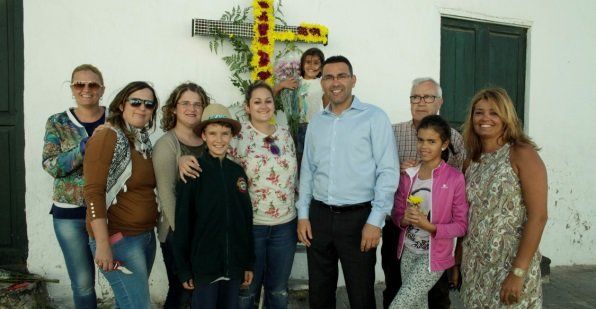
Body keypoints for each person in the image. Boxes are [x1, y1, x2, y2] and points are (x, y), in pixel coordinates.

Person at [296, 55, 399, 308]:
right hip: (319, 218)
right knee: (319, 294)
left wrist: (375, 221)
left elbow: (388, 171)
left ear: (353, 80)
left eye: (342, 76)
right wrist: (303, 215)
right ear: (322, 83)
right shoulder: (317, 122)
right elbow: (307, 170)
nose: (335, 82)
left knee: (361, 293)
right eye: (328, 77)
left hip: (359, 219)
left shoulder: (375, 118)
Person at [382, 77, 465, 308]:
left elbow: (453, 185)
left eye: (428, 97)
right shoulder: (393, 132)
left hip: (436, 240)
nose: (421, 102)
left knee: (435, 295)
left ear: (439, 101)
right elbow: (378, 171)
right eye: (415, 97)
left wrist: (433, 226)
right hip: (399, 231)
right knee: (395, 286)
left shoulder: (455, 138)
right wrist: (394, 171)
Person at [460, 88, 547, 307]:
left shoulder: (521, 154)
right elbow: (467, 214)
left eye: (494, 113)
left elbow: (538, 217)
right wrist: (457, 257)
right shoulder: (471, 161)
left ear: (506, 117)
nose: (485, 118)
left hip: (510, 263)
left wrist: (518, 272)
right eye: (479, 112)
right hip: (475, 266)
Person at [84, 81, 159, 309]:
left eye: (149, 104)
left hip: (144, 236)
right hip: (119, 239)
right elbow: (93, 192)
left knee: (126, 302)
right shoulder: (108, 136)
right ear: (121, 104)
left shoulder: (141, 140)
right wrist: (103, 243)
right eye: (135, 101)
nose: (142, 108)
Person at [173, 103, 254, 309]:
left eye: (225, 134)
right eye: (213, 133)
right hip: (204, 267)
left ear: (231, 136)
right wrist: (184, 269)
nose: (219, 139)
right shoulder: (193, 173)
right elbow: (183, 223)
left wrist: (247, 263)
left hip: (234, 265)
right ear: (204, 136)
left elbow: (246, 220)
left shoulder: (237, 172)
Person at [42, 64, 105, 309]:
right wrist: (83, 148)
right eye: (79, 84)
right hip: (70, 214)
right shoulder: (57, 122)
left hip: (111, 212)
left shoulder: (116, 119)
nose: (86, 89)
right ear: (72, 88)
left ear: (102, 88)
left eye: (93, 84)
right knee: (83, 282)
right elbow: (51, 165)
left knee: (122, 276)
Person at [233, 82, 298, 309]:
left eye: (268, 101)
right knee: (247, 290)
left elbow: (294, 178)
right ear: (247, 107)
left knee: (278, 289)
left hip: (285, 225)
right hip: (252, 227)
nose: (263, 106)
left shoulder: (285, 134)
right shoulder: (238, 136)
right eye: (257, 101)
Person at [153, 83, 210, 308]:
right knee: (181, 291)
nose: (191, 108)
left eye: (198, 104)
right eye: (185, 103)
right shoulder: (167, 145)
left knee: (201, 292)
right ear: (174, 109)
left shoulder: (209, 141)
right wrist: (187, 239)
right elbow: (167, 197)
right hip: (178, 233)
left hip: (204, 231)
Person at [273, 47, 326, 165]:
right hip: (294, 126)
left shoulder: (322, 83)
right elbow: (270, 95)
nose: (311, 66)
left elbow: (328, 107)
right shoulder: (295, 81)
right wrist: (281, 85)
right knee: (293, 159)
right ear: (302, 65)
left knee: (307, 160)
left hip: (312, 127)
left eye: (316, 63)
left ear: (322, 67)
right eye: (308, 62)